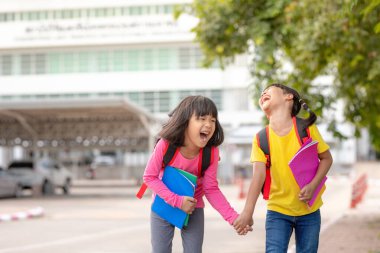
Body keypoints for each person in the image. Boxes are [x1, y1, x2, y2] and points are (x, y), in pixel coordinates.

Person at [142, 95, 251, 253]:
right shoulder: (165, 145)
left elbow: (211, 189)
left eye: (213, 120)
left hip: (193, 209)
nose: (208, 124)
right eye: (202, 119)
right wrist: (177, 201)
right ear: (185, 121)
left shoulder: (211, 153)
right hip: (164, 206)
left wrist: (233, 218)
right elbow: (149, 177)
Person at [233, 83, 333, 253]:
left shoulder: (306, 129)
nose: (263, 92)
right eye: (262, 92)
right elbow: (258, 177)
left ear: (288, 97)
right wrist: (247, 212)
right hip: (277, 212)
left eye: (269, 90)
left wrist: (313, 185)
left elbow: (326, 159)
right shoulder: (261, 138)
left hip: (309, 211)